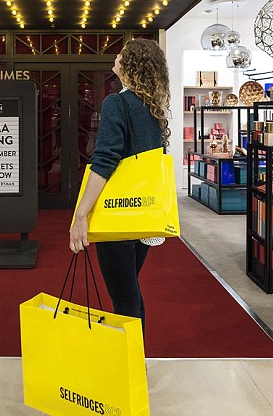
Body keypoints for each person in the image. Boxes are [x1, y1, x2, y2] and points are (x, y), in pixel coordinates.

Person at [69, 39, 171, 332]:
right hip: (142, 217)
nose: (116, 55)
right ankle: (134, 362)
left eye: (122, 53)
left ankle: (131, 369)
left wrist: (81, 215)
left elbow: (104, 161)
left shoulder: (116, 102)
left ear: (130, 64)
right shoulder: (151, 107)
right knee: (130, 292)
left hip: (118, 217)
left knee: (125, 300)